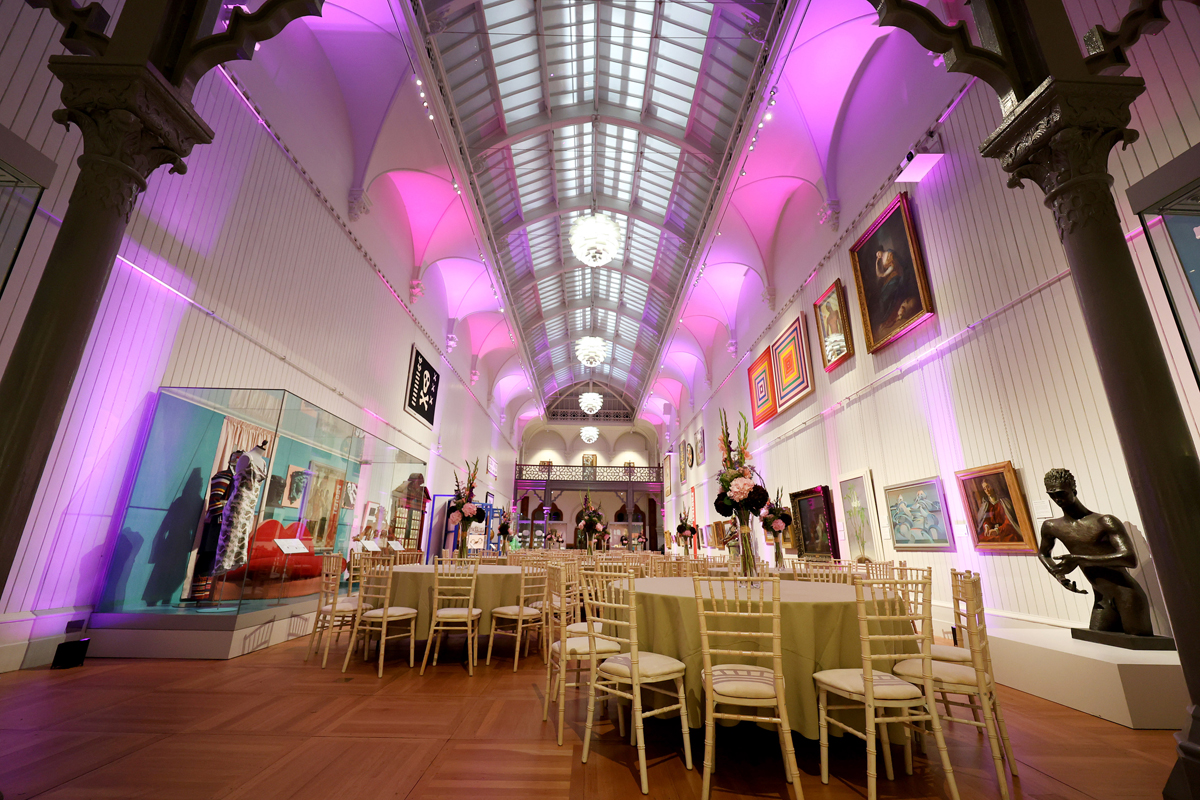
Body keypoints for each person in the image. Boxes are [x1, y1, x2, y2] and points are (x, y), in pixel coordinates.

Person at [1038, 468, 1152, 635]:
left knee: (1142, 646)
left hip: (1127, 595)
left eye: (1061, 493)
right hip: (1101, 598)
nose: (1057, 499)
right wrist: (1059, 575)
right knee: (1099, 645)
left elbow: (1129, 558)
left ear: (1074, 490)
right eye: (1052, 495)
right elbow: (1043, 553)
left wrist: (1079, 559)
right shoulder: (1051, 526)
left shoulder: (1104, 521)